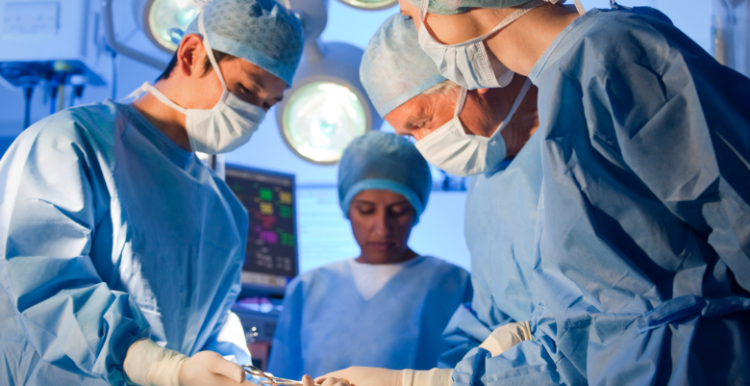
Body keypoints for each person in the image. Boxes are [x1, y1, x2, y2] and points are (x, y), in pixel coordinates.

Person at [330, 0, 750, 385]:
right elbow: (570, 331)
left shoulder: (610, 55)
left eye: (419, 122)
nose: (421, 31)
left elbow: (735, 213)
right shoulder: (494, 178)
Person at [0, 0, 305, 385]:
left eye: (268, 104)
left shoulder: (225, 212)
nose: (254, 114)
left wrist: (236, 375)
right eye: (246, 89)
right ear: (192, 54)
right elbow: (44, 286)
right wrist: (157, 366)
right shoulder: (70, 144)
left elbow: (213, 329)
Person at [267, 130, 472, 379]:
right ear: (347, 209)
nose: (382, 228)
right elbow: (282, 379)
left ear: (417, 211)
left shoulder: (454, 285)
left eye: (398, 211)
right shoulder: (308, 289)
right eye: (366, 210)